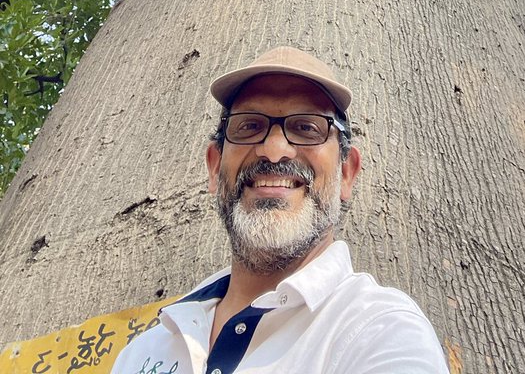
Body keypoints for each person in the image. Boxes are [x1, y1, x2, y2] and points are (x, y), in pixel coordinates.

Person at [111, 45, 448, 373]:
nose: (274, 151)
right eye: (249, 126)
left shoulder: (380, 331)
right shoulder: (143, 350)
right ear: (215, 168)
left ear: (346, 173)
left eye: (306, 127)